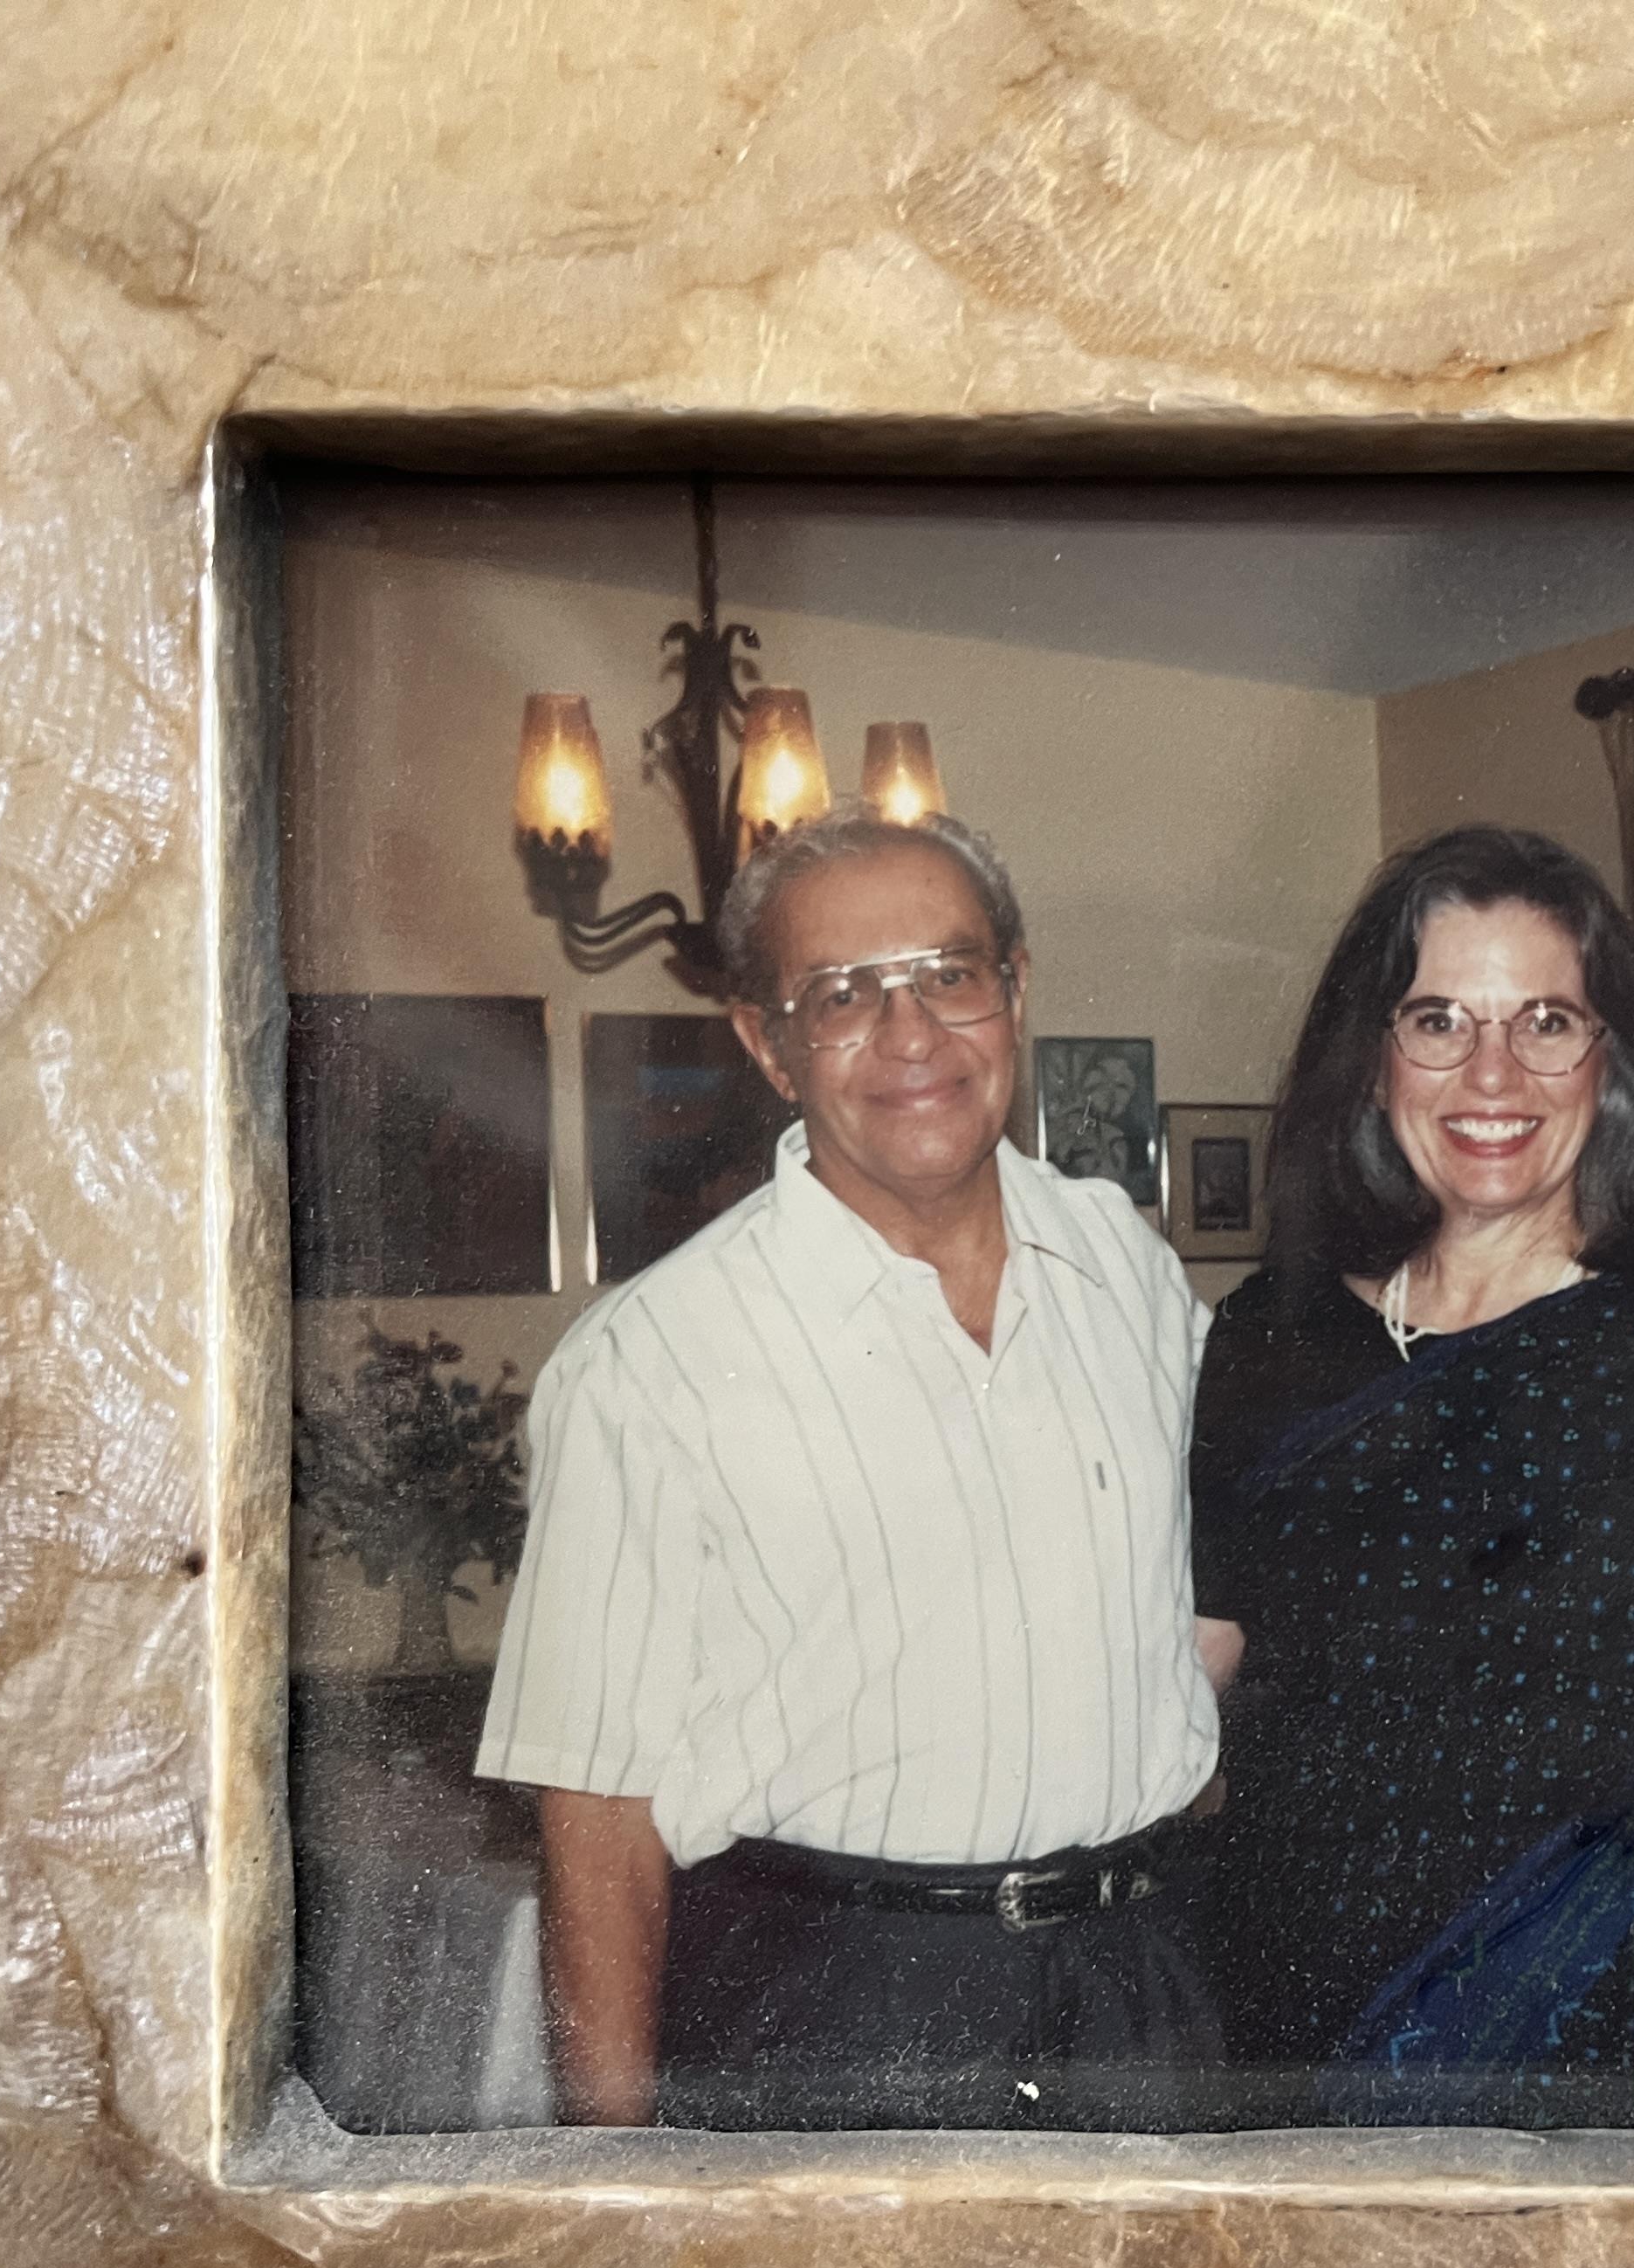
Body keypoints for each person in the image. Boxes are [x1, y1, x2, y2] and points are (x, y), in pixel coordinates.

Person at [475, 810, 1230, 2132]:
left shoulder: (1129, 1269)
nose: (914, 1036)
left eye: (950, 973)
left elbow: (1201, 1587)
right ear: (766, 1045)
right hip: (836, 2009)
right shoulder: (649, 1363)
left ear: (1015, 992)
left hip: (1138, 1994)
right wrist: (620, 2192)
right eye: (842, 996)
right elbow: (597, 1822)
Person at [1188, 825, 1634, 2127]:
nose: (1492, 1073)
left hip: (1562, 2034)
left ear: (1612, 1063)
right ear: (1373, 1057)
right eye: (1437, 1020)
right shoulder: (1272, 1337)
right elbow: (1194, 1692)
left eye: (1546, 1021)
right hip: (1268, 2019)